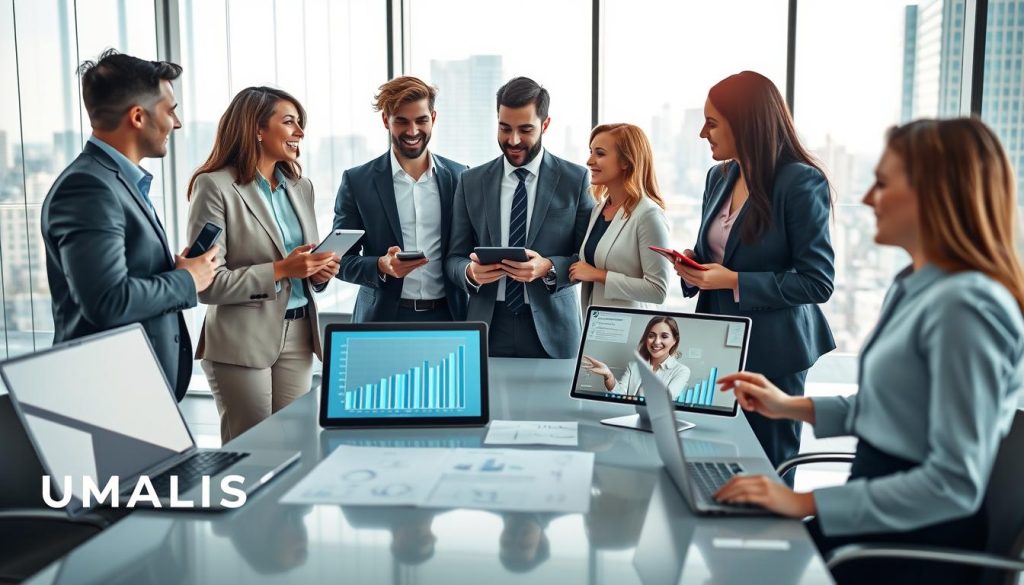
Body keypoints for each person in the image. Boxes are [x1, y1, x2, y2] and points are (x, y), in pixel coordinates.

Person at [713, 118, 1024, 585]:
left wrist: (804, 503)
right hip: (878, 519)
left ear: (937, 193)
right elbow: (895, 407)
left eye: (882, 183)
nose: (867, 198)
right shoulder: (915, 287)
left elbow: (953, 483)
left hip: (916, 545)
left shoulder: (966, 308)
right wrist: (790, 406)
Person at [674, 71, 835, 470]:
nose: (702, 133)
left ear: (745, 125)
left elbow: (817, 281)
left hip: (773, 351)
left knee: (766, 465)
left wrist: (732, 281)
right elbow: (723, 252)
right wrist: (692, 264)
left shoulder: (799, 182)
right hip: (716, 344)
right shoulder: (719, 176)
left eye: (712, 123)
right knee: (712, 459)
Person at [41, 49, 216, 401]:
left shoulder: (115, 182)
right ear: (137, 116)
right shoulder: (88, 188)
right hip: (111, 395)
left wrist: (174, 270)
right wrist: (187, 280)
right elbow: (107, 300)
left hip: (133, 389)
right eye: (171, 111)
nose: (176, 124)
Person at [186, 86, 339, 444]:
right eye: (289, 122)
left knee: (295, 446)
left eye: (300, 123)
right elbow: (207, 284)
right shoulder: (215, 186)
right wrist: (282, 270)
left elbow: (303, 266)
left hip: (299, 336)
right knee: (252, 448)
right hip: (241, 339)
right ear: (256, 128)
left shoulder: (301, 187)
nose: (300, 132)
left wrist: (318, 273)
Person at [446, 77, 594, 358]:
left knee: (554, 404)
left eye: (525, 129)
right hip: (487, 326)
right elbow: (453, 258)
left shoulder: (575, 180)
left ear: (545, 124)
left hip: (553, 328)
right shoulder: (470, 181)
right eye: (504, 128)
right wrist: (470, 272)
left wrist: (548, 268)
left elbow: (589, 257)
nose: (513, 140)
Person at [333, 76, 469, 322]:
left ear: (433, 118)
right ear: (386, 120)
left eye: (421, 120)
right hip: (382, 318)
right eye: (402, 121)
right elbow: (339, 261)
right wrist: (381, 266)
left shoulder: (461, 177)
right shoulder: (358, 182)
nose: (412, 131)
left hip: (449, 317)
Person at [570, 123, 670, 312]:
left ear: (626, 161)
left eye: (600, 153)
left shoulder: (648, 214)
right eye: (591, 152)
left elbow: (658, 290)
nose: (589, 161)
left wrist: (599, 275)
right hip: (596, 330)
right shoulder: (599, 209)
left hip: (632, 333)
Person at [582, 316, 689, 399]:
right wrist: (608, 375)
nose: (656, 342)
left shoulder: (681, 371)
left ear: (675, 340)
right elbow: (620, 394)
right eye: (651, 336)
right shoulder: (633, 366)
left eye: (664, 336)